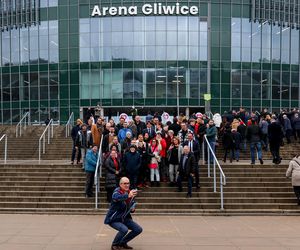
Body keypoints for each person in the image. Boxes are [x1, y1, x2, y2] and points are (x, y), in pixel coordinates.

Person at [104, 177, 143, 250]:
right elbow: (116, 198)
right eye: (125, 183)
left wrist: (132, 209)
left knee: (138, 229)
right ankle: (114, 245)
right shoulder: (117, 191)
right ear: (120, 184)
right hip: (114, 218)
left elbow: (130, 205)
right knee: (124, 229)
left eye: (128, 183)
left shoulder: (130, 192)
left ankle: (122, 243)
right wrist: (128, 196)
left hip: (124, 218)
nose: (127, 185)